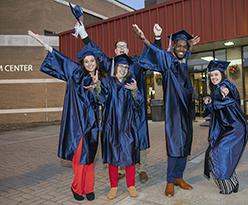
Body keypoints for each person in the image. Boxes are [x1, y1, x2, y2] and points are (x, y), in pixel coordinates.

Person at [74, 21, 163, 183]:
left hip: (136, 108)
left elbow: (152, 55)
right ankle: (121, 168)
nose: (122, 48)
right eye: (119, 46)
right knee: (119, 137)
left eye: (125, 46)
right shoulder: (110, 65)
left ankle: (142, 168)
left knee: (140, 137)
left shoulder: (136, 63)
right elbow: (96, 52)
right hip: (117, 111)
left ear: (128, 50)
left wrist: (156, 38)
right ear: (115, 51)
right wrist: (83, 34)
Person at [27, 30, 101, 201]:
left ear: (96, 62)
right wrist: (44, 43)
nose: (89, 64)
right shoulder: (75, 73)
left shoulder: (99, 79)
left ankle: (88, 188)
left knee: (89, 159)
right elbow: (60, 58)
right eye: (87, 61)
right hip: (77, 125)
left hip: (92, 126)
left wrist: (96, 86)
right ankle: (76, 188)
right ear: (83, 63)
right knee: (79, 159)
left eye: (92, 61)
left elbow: (104, 99)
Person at [132, 24, 200, 197]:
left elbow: (185, 56)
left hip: (186, 112)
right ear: (174, 46)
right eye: (179, 46)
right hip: (173, 112)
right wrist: (145, 38)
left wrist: (190, 46)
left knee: (185, 145)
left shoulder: (184, 61)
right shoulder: (168, 62)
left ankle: (179, 177)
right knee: (174, 145)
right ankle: (170, 180)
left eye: (185, 46)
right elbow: (155, 52)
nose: (182, 49)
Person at [97, 54, 142, 199]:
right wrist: (97, 87)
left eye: (126, 67)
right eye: (121, 66)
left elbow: (139, 103)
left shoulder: (131, 83)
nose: (123, 69)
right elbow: (100, 99)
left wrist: (135, 90)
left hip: (128, 125)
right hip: (112, 125)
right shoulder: (107, 82)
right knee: (113, 157)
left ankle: (131, 185)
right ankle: (114, 187)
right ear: (116, 67)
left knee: (130, 157)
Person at [203, 60, 248, 195]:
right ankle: (233, 183)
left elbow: (228, 92)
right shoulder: (215, 90)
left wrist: (225, 90)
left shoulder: (225, 85)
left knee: (216, 153)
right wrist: (208, 101)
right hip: (226, 128)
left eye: (216, 75)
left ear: (222, 75)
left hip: (235, 128)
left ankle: (227, 187)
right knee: (218, 154)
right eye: (212, 76)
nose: (214, 78)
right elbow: (212, 108)